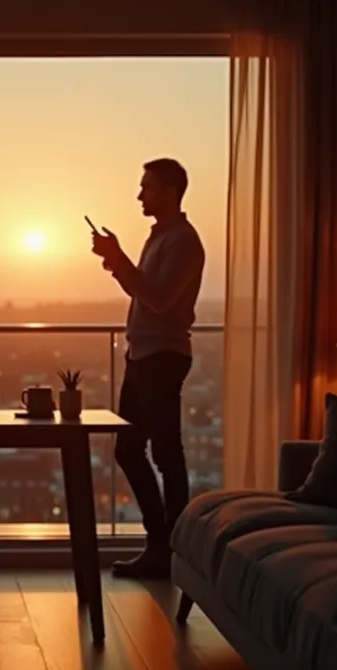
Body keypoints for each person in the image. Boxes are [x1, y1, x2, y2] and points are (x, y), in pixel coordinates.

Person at [90, 158, 206, 579]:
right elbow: (144, 291)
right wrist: (117, 262)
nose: (140, 195)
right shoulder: (161, 238)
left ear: (171, 192)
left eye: (148, 187)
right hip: (143, 355)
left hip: (161, 356)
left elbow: (158, 299)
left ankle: (168, 548)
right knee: (133, 449)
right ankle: (162, 544)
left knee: (165, 454)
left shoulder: (183, 242)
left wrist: (118, 258)